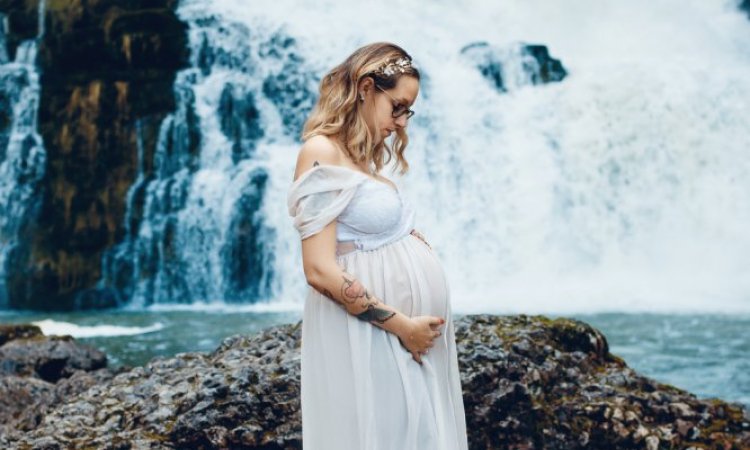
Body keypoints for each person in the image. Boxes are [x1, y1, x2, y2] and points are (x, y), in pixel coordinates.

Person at [287, 42, 468, 450]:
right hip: (374, 332)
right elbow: (318, 269)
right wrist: (403, 326)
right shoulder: (321, 151)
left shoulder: (362, 158)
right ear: (367, 88)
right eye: (398, 106)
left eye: (410, 111)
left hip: (400, 335)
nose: (402, 122)